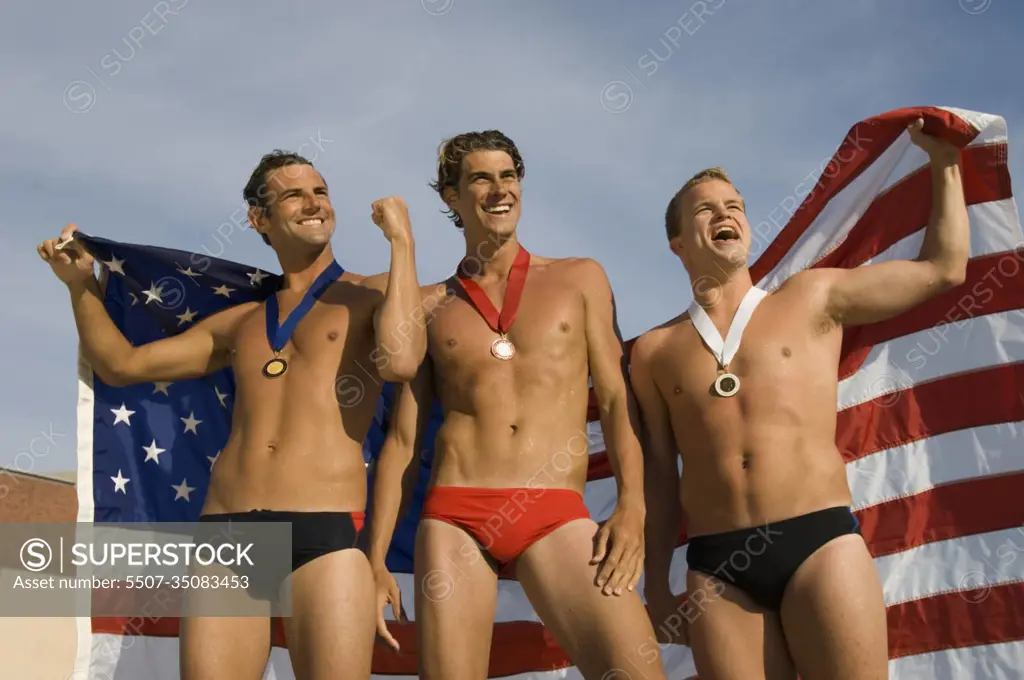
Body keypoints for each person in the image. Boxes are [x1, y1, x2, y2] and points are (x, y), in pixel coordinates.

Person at [36, 150, 428, 680]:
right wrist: (80, 285)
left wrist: (403, 242)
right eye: (293, 194)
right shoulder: (241, 322)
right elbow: (122, 365)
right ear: (258, 218)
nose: (313, 203)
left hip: (326, 530)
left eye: (321, 191)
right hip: (228, 534)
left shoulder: (371, 294)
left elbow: (403, 359)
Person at [630, 118, 969, 679]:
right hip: (717, 568)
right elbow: (661, 477)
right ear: (677, 243)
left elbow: (943, 269)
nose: (726, 215)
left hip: (819, 542)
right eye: (706, 209)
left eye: (734, 205)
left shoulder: (813, 296)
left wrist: (946, 163)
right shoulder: (653, 352)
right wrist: (659, 585)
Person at [366, 130, 668, 679]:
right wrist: (374, 556)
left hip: (553, 508)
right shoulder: (432, 305)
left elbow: (618, 398)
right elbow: (403, 441)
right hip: (455, 513)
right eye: (480, 178)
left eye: (508, 176)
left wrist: (633, 506)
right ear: (452, 198)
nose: (499, 189)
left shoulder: (580, 277)